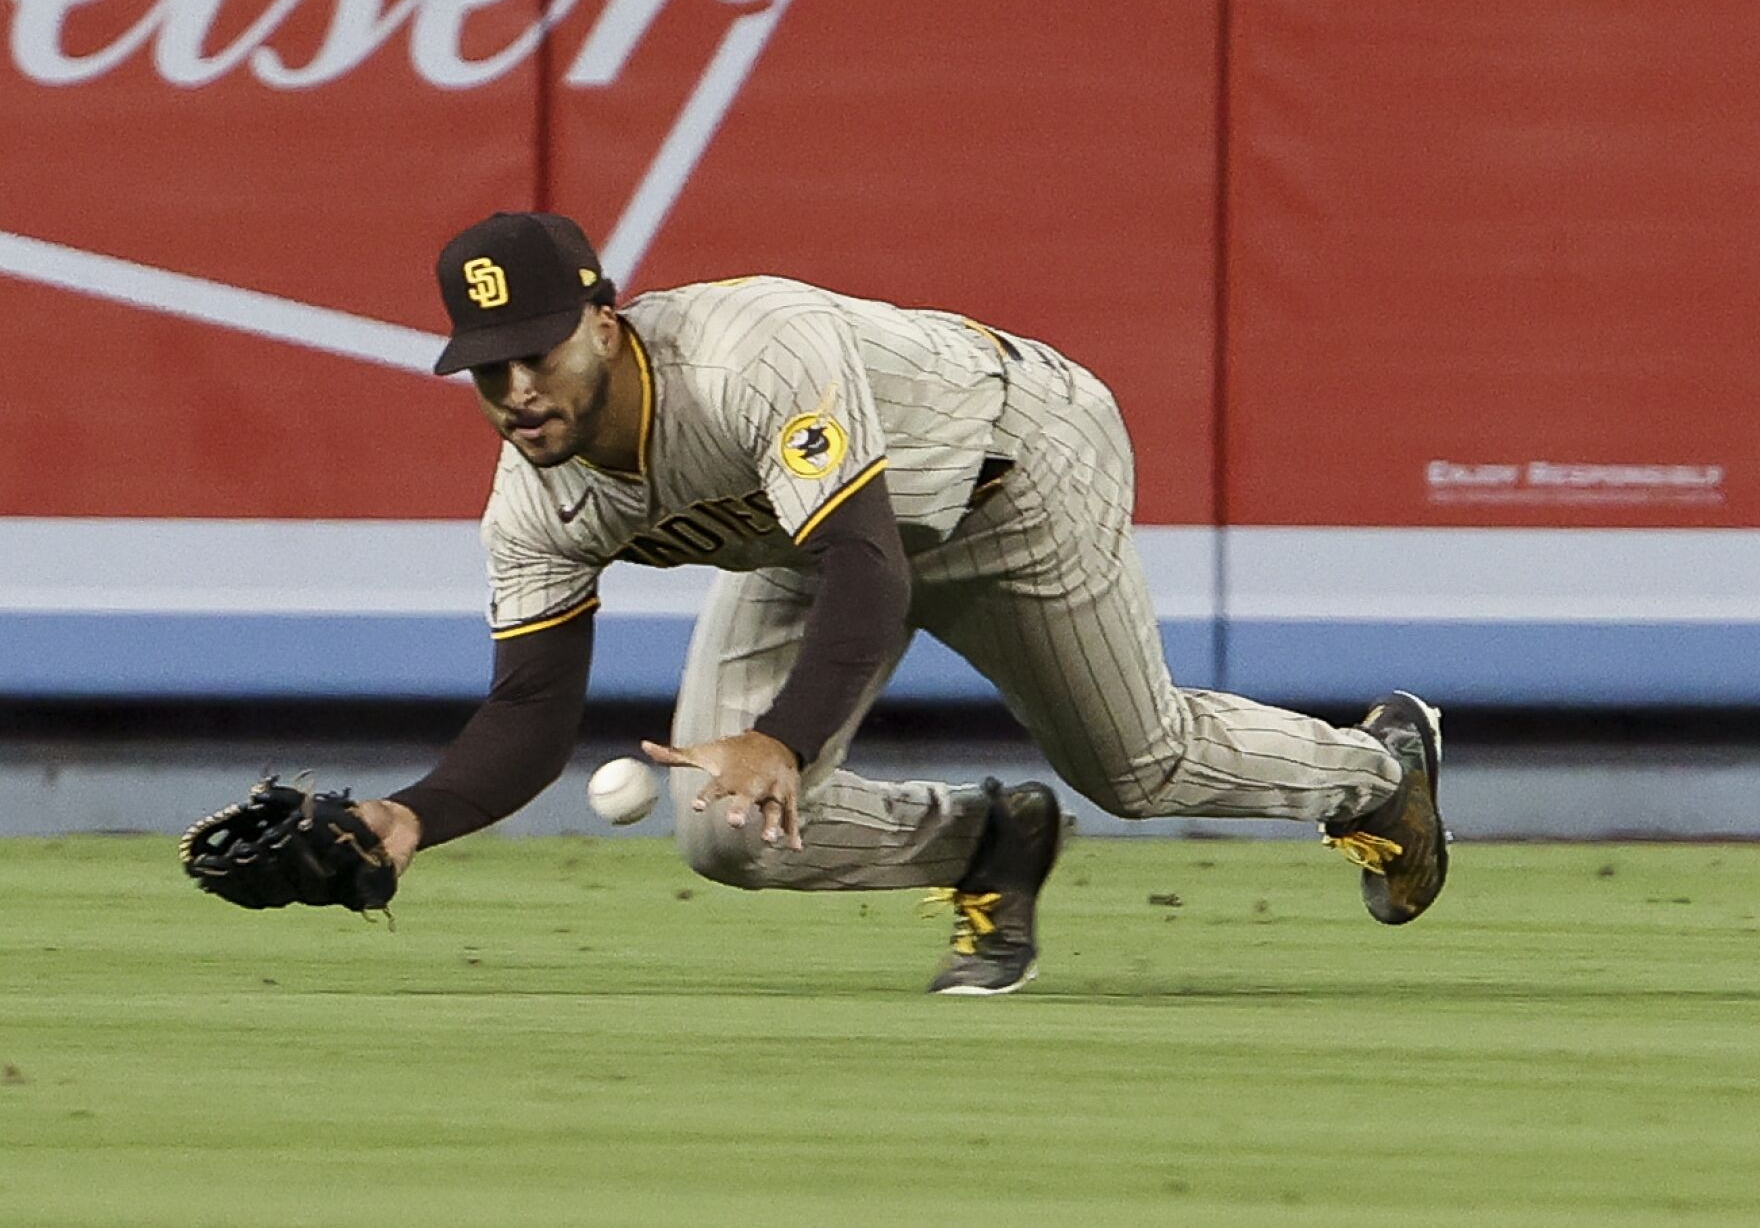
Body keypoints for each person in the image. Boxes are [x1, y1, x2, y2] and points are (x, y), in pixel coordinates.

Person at [346, 210, 1447, 995]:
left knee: (1133, 766)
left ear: (602, 320)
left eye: (532, 353)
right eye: (488, 370)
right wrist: (407, 818)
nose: (516, 392)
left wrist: (782, 737)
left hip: (1011, 476)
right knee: (727, 837)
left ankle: (1376, 770)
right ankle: (987, 844)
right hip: (808, 539)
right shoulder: (532, 502)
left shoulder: (747, 353)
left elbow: (870, 567)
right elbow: (531, 713)